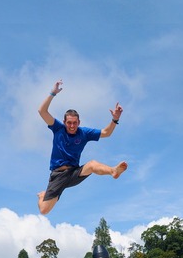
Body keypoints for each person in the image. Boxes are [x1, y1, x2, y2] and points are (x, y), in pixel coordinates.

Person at [36, 79, 127, 215]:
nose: (72, 126)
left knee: (91, 164)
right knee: (44, 210)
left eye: (75, 123)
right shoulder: (58, 128)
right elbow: (42, 111)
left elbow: (106, 133)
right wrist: (52, 93)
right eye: (69, 123)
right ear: (64, 122)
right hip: (58, 175)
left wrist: (114, 120)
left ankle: (113, 171)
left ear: (79, 122)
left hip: (74, 172)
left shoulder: (83, 133)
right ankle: (42, 196)